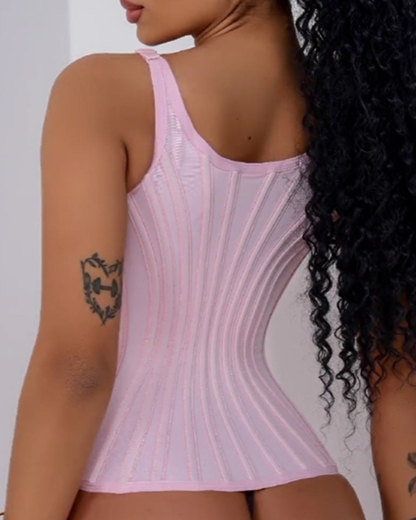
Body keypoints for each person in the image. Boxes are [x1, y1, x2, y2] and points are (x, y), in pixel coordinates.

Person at [3, 0, 415, 518]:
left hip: (142, 482)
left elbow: (78, 366)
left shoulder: (100, 92)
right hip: (309, 489)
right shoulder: (360, 123)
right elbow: (400, 376)